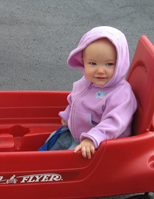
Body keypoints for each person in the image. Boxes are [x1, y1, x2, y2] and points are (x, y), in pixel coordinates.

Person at [41, 26, 137, 159]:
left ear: (120, 63)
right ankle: (35, 166)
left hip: (99, 146)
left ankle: (53, 175)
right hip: (75, 134)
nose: (100, 71)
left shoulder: (121, 94)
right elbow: (75, 100)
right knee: (51, 143)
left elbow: (114, 122)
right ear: (83, 62)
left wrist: (92, 138)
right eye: (93, 63)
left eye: (109, 64)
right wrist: (68, 115)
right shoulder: (85, 83)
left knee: (66, 161)